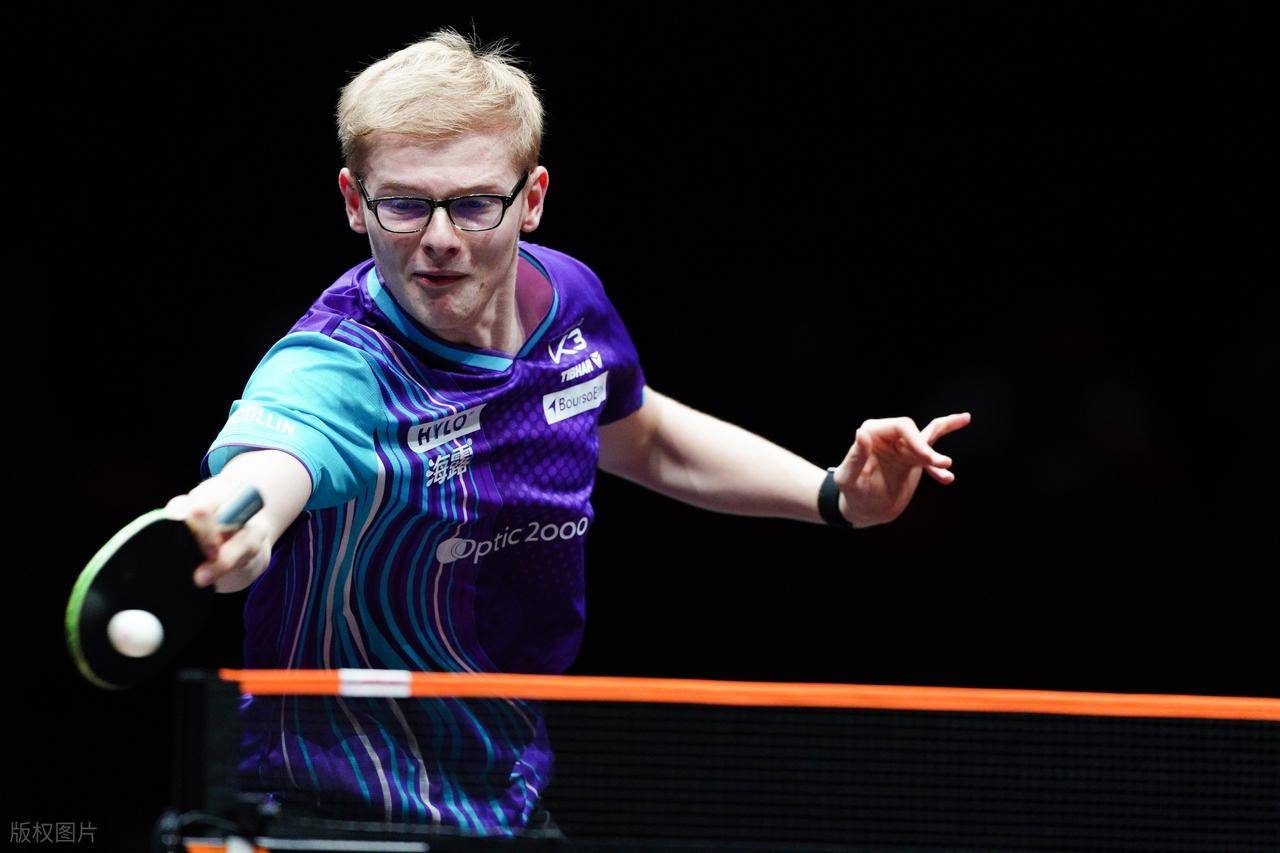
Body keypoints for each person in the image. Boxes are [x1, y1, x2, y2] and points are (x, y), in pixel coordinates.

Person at [165, 28, 971, 835]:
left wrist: (834, 495)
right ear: (353, 200)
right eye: (404, 204)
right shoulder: (338, 365)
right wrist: (230, 525)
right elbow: (269, 471)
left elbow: (642, 435)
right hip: (330, 808)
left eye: (475, 203)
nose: (440, 238)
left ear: (533, 198)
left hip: (501, 795)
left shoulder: (569, 304)